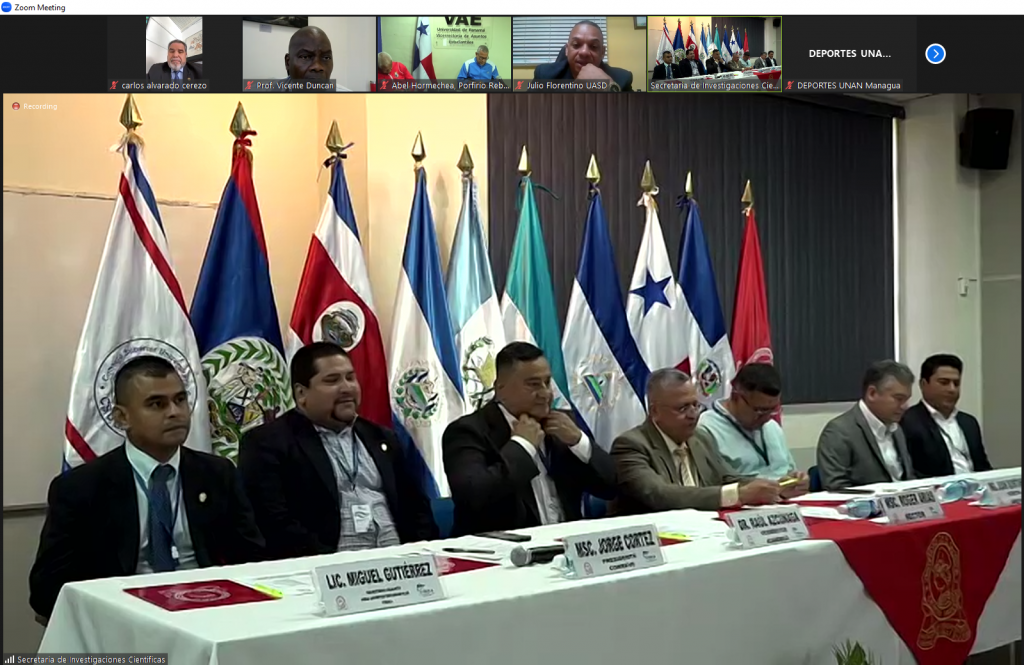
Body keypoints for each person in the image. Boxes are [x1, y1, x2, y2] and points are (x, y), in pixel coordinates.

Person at [30, 356, 264, 620]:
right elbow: (46, 588)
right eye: (156, 404)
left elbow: (253, 559)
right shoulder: (82, 487)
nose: (175, 412)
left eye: (180, 400)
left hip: (210, 611)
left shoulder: (217, 474)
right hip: (123, 619)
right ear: (122, 417)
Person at [238, 342, 437, 559]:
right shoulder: (268, 442)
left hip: (401, 562)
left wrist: (420, 554)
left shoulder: (381, 437)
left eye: (350, 378)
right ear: (301, 393)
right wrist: (332, 564)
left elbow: (417, 507)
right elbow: (274, 522)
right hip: (324, 565)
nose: (347, 388)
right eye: (332, 381)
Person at [443, 342, 616, 536]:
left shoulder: (562, 425)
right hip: (505, 548)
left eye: (547, 382)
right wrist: (522, 445)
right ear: (501, 388)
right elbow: (473, 498)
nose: (545, 393)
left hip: (566, 544)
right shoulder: (468, 431)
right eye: (533, 384)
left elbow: (611, 487)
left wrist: (578, 441)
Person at [612, 369, 781, 515]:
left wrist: (777, 487)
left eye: (695, 405)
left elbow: (729, 478)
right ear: (655, 411)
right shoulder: (631, 445)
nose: (693, 415)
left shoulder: (700, 438)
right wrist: (738, 495)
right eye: (683, 408)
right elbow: (660, 495)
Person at [697, 363, 809, 496]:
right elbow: (712, 488)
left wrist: (798, 480)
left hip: (786, 503)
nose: (766, 418)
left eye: (773, 409)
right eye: (760, 410)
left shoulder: (772, 427)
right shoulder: (706, 429)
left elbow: (790, 471)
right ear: (736, 396)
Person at [816, 360, 917, 490]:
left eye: (907, 399)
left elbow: (908, 478)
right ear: (872, 394)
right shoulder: (839, 432)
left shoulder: (896, 429)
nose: (905, 406)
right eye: (898, 399)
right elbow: (836, 489)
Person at [901, 354, 991, 478]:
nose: (952, 389)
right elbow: (912, 473)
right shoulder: (907, 421)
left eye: (956, 383)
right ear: (923, 384)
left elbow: (983, 467)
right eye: (944, 383)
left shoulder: (969, 422)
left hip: (976, 487)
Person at [532, 20, 633, 91]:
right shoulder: (544, 76)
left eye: (593, 46)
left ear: (602, 52)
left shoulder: (622, 79)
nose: (584, 52)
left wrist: (609, 88)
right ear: (567, 50)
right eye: (576, 45)